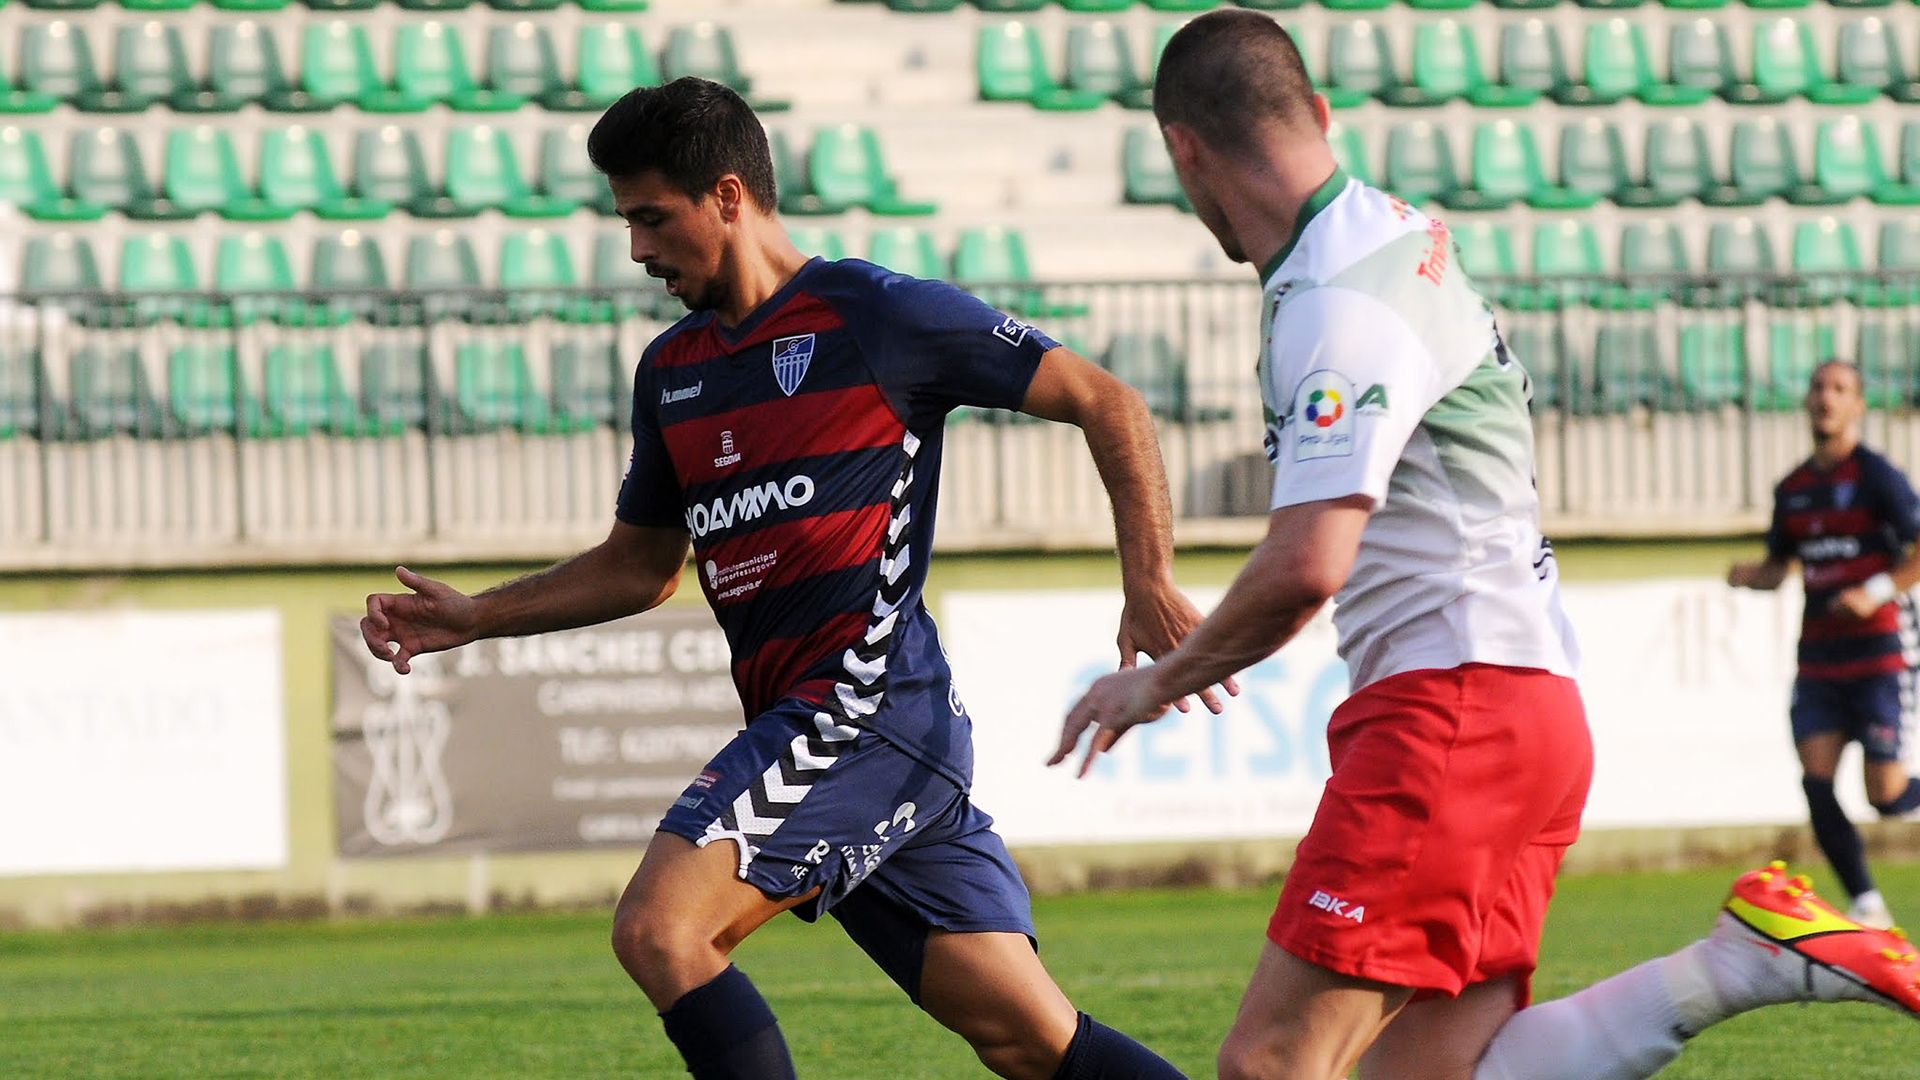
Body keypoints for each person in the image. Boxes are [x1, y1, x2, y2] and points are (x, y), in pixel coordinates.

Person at [1050, 11, 1920, 1080]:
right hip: (1525, 707)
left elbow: (1311, 561)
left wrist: (1158, 680)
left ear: (1183, 150)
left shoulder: (1337, 296)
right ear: (1319, 111)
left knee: (1269, 1065)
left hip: (1450, 711)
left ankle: (1747, 963)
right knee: (1429, 1071)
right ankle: (1735, 966)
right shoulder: (1391, 234)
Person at [361, 77, 1224, 1080]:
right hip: (859, 737)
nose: (635, 249)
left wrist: (1148, 577)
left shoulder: (879, 316)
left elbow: (1106, 400)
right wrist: (478, 616)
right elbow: (640, 569)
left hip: (862, 712)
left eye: (652, 218)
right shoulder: (672, 371)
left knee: (661, 931)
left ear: (727, 197)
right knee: (1031, 1041)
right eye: (626, 221)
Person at [1728, 359, 1920, 930]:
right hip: (1819, 660)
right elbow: (1780, 567)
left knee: (1884, 795)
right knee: (1815, 778)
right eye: (1817, 387)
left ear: (1858, 405)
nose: (1825, 398)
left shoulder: (1876, 477)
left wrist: (1875, 590)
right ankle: (1866, 903)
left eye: (1839, 389)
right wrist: (1749, 575)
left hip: (1879, 653)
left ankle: (1871, 880)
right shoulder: (1793, 490)